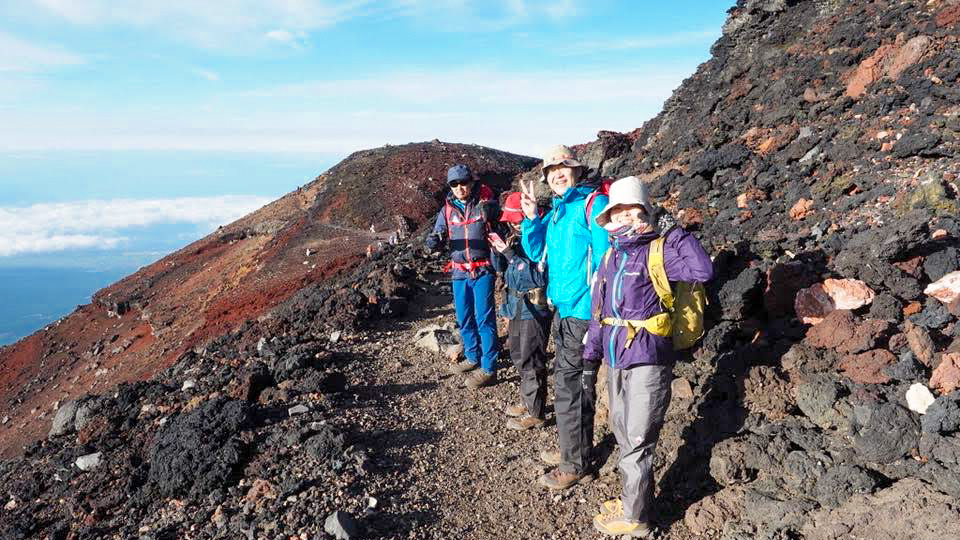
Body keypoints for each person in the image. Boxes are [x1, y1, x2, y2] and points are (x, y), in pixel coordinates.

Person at [584, 176, 713, 538]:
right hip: (615, 358)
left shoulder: (659, 250)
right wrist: (590, 353)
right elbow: (601, 311)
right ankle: (631, 501)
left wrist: (673, 231)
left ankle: (637, 519)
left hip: (648, 359)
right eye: (617, 210)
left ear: (644, 212)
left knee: (639, 438)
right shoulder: (611, 255)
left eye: (631, 209)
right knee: (623, 432)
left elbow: (703, 270)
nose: (624, 216)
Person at [519, 144, 610, 489]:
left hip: (584, 315)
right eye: (551, 169)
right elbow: (535, 252)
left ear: (576, 170)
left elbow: (605, 265)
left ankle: (575, 463)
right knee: (568, 384)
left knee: (570, 387)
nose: (557, 173)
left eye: (563, 166)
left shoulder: (592, 205)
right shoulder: (558, 210)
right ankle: (573, 450)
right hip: (563, 311)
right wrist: (531, 219)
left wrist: (597, 318)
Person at [425, 164, 501, 388]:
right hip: (459, 271)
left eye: (463, 182)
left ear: (471, 182)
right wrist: (433, 241)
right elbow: (437, 232)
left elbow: (500, 218)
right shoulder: (447, 210)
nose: (460, 187)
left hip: (482, 270)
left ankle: (489, 368)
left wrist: (494, 213)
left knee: (484, 319)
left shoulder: (484, 204)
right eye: (454, 184)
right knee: (464, 317)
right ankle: (472, 356)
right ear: (450, 186)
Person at [490, 192, 552, 430]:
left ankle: (536, 412)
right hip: (516, 305)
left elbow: (536, 276)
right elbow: (505, 272)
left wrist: (509, 254)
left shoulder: (538, 238)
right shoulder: (515, 237)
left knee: (531, 357)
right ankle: (528, 401)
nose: (513, 224)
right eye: (511, 221)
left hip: (533, 308)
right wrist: (499, 252)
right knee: (518, 354)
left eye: (516, 220)